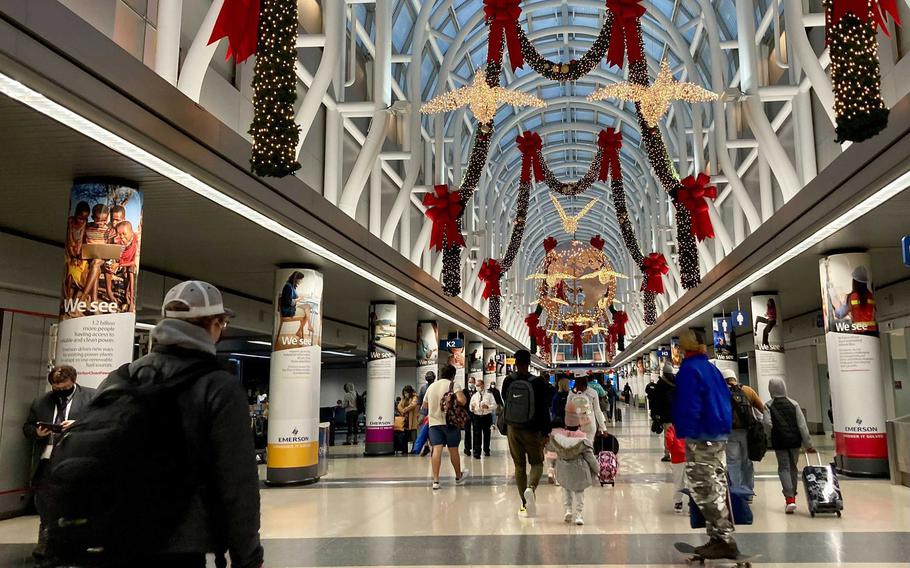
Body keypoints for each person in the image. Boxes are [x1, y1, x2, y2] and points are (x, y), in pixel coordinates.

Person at [91, 280, 263, 567]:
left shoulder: (121, 378)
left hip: (113, 536)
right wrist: (248, 556)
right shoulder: (218, 387)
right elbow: (237, 483)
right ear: (215, 325)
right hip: (179, 543)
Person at [672, 329, 738, 560]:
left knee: (702, 486)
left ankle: (725, 538)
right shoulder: (712, 368)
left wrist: (685, 431)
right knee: (716, 482)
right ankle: (717, 538)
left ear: (684, 349)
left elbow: (690, 404)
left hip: (702, 435)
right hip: (718, 433)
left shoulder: (689, 371)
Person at [22, 365, 95, 559]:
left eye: (64, 388)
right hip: (47, 457)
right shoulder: (41, 402)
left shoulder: (92, 397)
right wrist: (36, 433)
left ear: (73, 381)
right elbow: (27, 427)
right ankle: (46, 540)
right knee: (44, 502)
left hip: (75, 456)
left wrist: (77, 424)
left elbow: (100, 422)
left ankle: (75, 542)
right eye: (56, 388)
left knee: (76, 501)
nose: (60, 392)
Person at [502, 350, 553, 517]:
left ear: (515, 363)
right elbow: (544, 409)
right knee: (537, 463)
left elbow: (505, 402)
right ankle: (531, 488)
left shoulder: (508, 380)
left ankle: (524, 504)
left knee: (519, 466)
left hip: (513, 429)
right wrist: (546, 432)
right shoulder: (538, 382)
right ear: (529, 363)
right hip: (533, 429)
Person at [762, 377, 815, 514]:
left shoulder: (768, 405)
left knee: (784, 468)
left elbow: (767, 424)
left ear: (770, 389)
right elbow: (802, 426)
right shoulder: (794, 404)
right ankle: (793, 495)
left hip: (779, 441)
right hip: (795, 442)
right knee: (793, 468)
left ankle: (789, 498)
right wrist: (808, 444)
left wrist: (767, 438)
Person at [422, 365, 468, 489]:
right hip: (450, 423)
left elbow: (425, 405)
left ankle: (436, 481)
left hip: (434, 424)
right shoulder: (453, 385)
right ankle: (458, 476)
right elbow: (462, 400)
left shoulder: (431, 386)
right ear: (453, 375)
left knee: (436, 450)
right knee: (453, 450)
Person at [722, 368, 764, 496]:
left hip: (730, 432)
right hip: (747, 431)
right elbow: (761, 408)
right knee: (747, 461)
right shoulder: (748, 390)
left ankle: (735, 491)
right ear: (735, 378)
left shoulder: (721, 392)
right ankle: (748, 491)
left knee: (732, 461)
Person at [546, 425, 599, 526]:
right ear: (578, 425)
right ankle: (579, 514)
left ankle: (568, 510)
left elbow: (549, 448)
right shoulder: (583, 442)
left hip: (563, 468)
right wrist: (597, 469)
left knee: (566, 489)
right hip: (579, 469)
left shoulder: (557, 440)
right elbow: (591, 459)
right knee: (579, 491)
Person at [564, 376, 605, 444]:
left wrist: (567, 425)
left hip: (575, 424)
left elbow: (568, 411)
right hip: (589, 422)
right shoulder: (593, 392)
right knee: (588, 446)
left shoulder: (571, 393)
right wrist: (603, 428)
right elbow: (597, 411)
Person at [649, 362, 677, 462]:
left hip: (666, 415)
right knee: (677, 434)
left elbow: (656, 401)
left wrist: (655, 414)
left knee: (668, 435)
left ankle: (667, 453)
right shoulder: (677, 382)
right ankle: (677, 451)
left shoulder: (660, 384)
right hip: (677, 414)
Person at [469, 377, 496, 458]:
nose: (477, 387)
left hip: (486, 417)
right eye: (476, 385)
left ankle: (486, 450)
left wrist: (488, 407)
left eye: (478, 385)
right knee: (477, 435)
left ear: (483, 385)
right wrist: (472, 408)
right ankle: (477, 452)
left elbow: (495, 405)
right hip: (477, 416)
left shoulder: (489, 395)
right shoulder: (474, 396)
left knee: (486, 434)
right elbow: (470, 405)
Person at [666, 423, 688, 514]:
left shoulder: (672, 428)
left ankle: (678, 502)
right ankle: (692, 502)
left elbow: (669, 440)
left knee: (678, 481)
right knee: (690, 481)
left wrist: (672, 449)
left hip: (677, 458)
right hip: (690, 457)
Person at [415, 370, 436, 456]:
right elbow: (419, 402)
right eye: (428, 377)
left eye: (430, 377)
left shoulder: (436, 387)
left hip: (434, 412)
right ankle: (426, 446)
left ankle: (434, 447)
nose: (429, 379)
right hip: (424, 411)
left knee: (433, 429)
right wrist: (417, 413)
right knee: (421, 428)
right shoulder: (423, 388)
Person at [397, 385, 419, 450]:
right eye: (404, 393)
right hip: (406, 420)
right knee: (405, 436)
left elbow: (413, 405)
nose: (406, 394)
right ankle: (405, 450)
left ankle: (415, 449)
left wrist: (405, 409)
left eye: (407, 393)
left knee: (413, 435)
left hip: (412, 419)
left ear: (410, 392)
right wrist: (403, 411)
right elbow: (399, 406)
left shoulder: (414, 397)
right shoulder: (403, 398)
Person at [462, 377, 476, 457]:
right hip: (467, 413)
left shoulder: (476, 391)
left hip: (475, 414)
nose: (471, 383)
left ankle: (475, 448)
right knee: (467, 431)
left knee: (476, 431)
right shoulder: (464, 391)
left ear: (474, 382)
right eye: (469, 382)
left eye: (472, 382)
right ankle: (467, 448)